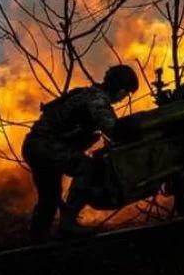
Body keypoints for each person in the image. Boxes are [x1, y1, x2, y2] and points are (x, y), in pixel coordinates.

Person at [22, 64, 139, 242]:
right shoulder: (97, 100)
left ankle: (36, 240)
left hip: (34, 146)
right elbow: (113, 130)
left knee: (50, 198)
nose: (124, 98)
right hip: (45, 146)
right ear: (120, 89)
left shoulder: (87, 95)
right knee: (86, 167)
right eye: (125, 93)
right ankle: (67, 223)